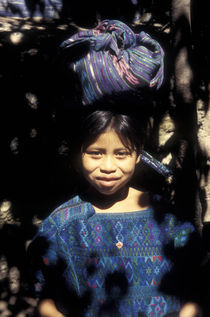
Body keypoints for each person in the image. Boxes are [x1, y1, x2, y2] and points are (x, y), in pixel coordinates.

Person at [28, 20, 204, 317]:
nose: (108, 166)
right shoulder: (62, 225)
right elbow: (46, 299)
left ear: (138, 154)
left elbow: (194, 291)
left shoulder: (169, 221)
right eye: (95, 153)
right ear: (77, 155)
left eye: (121, 153)